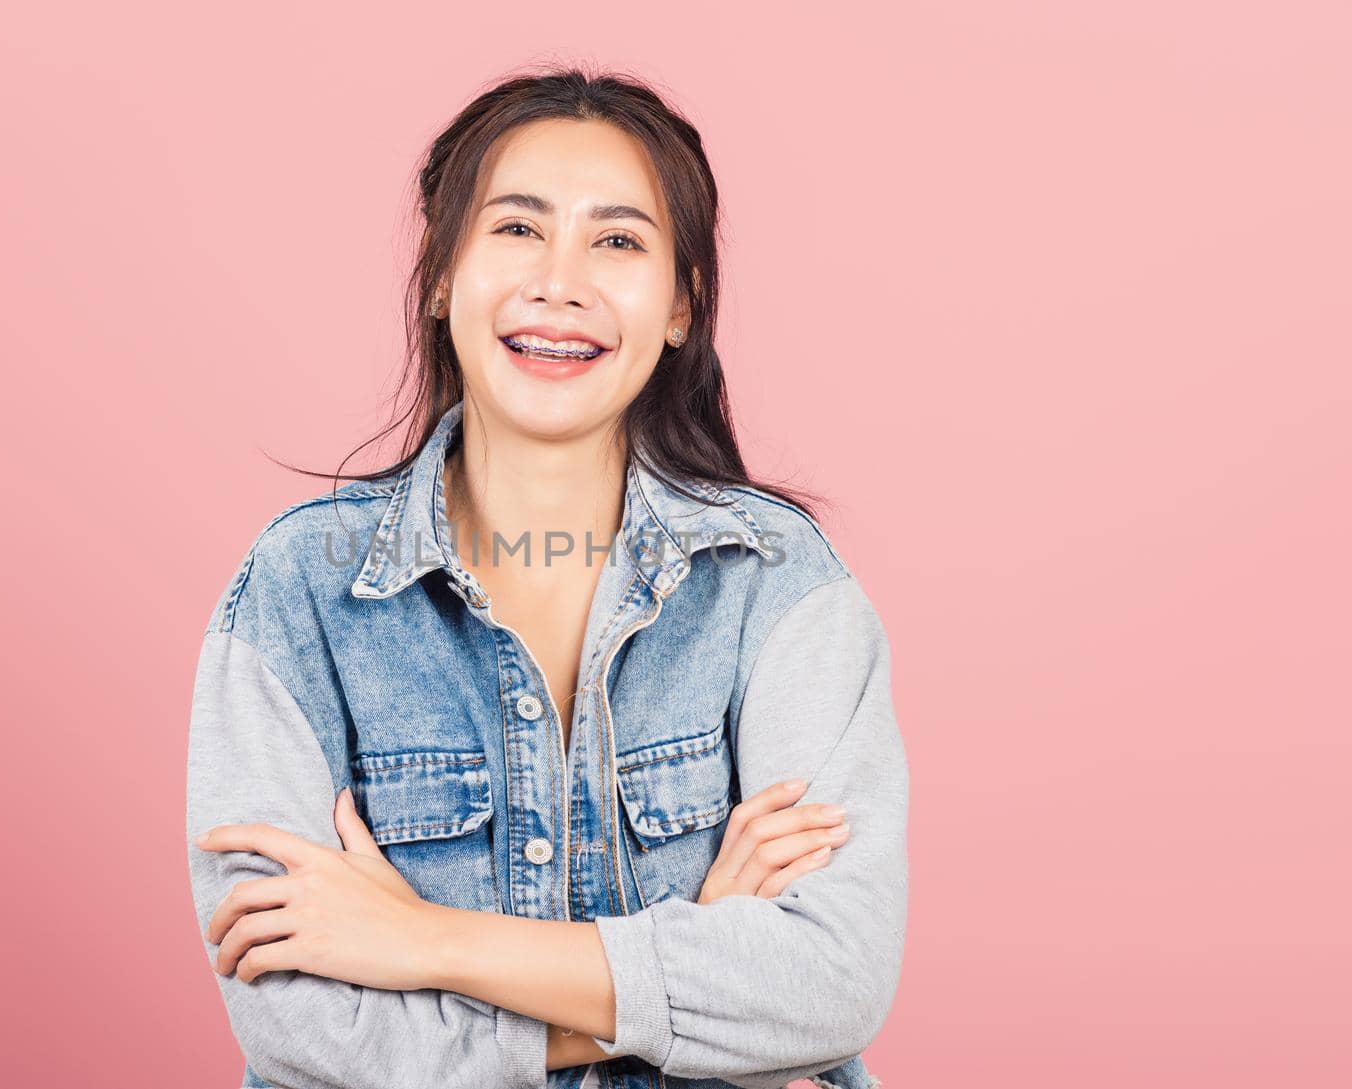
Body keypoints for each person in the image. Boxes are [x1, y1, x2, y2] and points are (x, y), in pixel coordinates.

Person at [186, 65, 907, 1089]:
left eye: (616, 241)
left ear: (680, 307)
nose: (559, 282)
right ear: (440, 277)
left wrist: (425, 942)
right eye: (517, 229)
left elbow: (832, 982)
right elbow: (305, 1036)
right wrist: (689, 970)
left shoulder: (775, 581)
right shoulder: (300, 588)